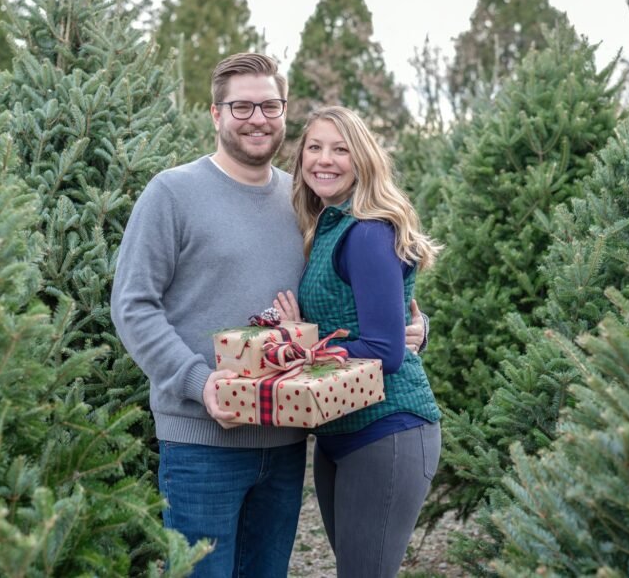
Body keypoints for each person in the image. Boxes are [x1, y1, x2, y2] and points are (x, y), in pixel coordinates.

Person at [111, 54, 426, 577]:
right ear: (215, 114)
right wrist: (198, 381)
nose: (257, 118)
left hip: (284, 442)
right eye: (241, 106)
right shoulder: (172, 193)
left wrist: (414, 326)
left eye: (270, 105)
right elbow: (132, 303)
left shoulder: (303, 198)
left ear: (284, 113)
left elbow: (352, 290)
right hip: (202, 440)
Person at [274, 105, 442, 578]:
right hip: (337, 432)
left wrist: (300, 346)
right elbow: (361, 318)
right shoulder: (329, 225)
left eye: (340, 149)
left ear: (362, 158)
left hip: (386, 429)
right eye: (314, 147)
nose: (324, 160)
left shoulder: (366, 232)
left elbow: (386, 350)